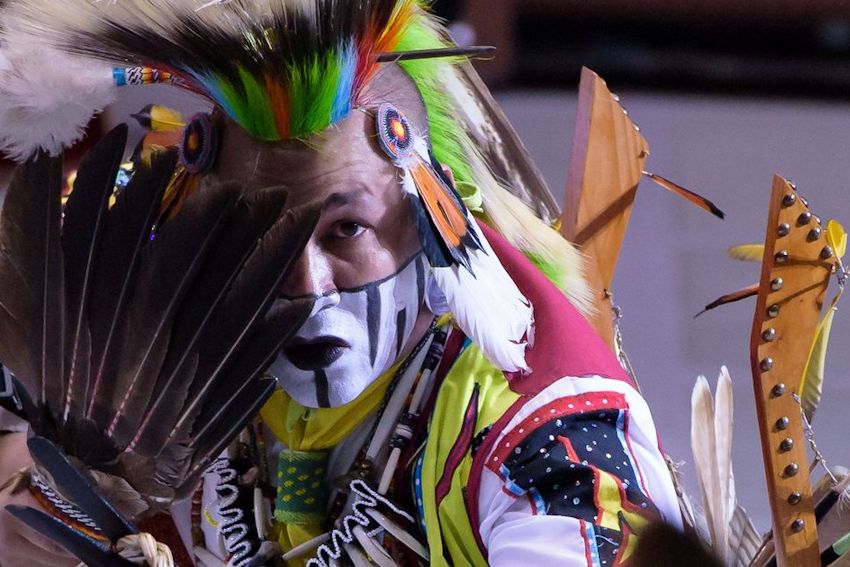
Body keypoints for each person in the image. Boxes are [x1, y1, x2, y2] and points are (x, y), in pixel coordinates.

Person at [0, 1, 681, 565]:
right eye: (262, 237)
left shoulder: (552, 439)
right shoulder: (180, 377)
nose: (306, 282)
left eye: (345, 229)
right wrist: (57, 508)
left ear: (435, 212)